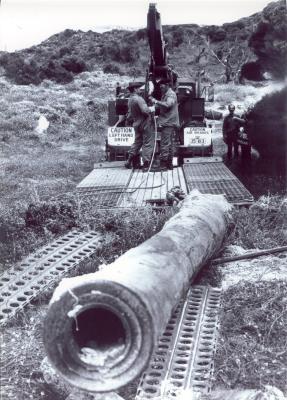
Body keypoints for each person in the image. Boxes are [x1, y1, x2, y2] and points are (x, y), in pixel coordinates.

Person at [124, 82, 155, 172]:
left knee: (137, 142)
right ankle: (146, 165)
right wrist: (152, 108)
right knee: (148, 143)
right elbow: (145, 111)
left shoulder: (130, 100)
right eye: (138, 88)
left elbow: (130, 114)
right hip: (145, 123)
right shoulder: (139, 99)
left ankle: (129, 161)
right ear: (134, 89)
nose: (140, 89)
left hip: (136, 123)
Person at [150, 79, 179, 171]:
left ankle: (163, 165)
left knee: (165, 144)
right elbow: (163, 105)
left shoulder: (170, 94)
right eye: (160, 86)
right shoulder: (166, 94)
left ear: (167, 85)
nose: (160, 87)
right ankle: (169, 164)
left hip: (168, 122)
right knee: (169, 144)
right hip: (168, 121)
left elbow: (167, 105)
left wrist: (155, 101)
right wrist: (154, 106)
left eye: (162, 86)